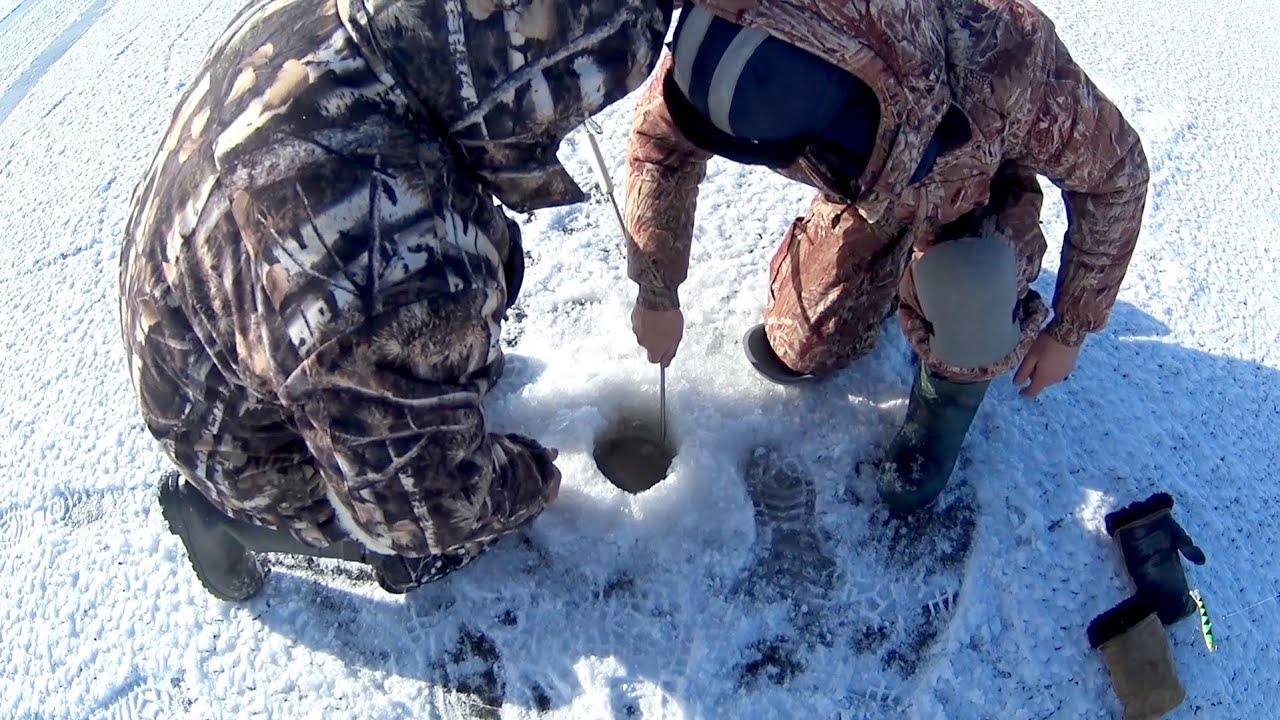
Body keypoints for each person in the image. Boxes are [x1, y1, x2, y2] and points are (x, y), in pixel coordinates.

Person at [120, 0, 675, 601]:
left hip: (203, 294)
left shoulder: (396, 23)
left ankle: (415, 391)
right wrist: (529, 480)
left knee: (481, 271)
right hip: (241, 432)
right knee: (423, 526)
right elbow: (434, 504)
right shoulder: (376, 276)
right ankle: (227, 523)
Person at [623, 0, 1149, 514]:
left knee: (971, 285)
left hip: (974, 191)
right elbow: (662, 146)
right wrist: (657, 289)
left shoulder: (1004, 54)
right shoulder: (735, 25)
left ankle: (946, 401)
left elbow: (1117, 176)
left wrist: (1070, 329)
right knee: (799, 348)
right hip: (868, 188)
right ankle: (892, 272)